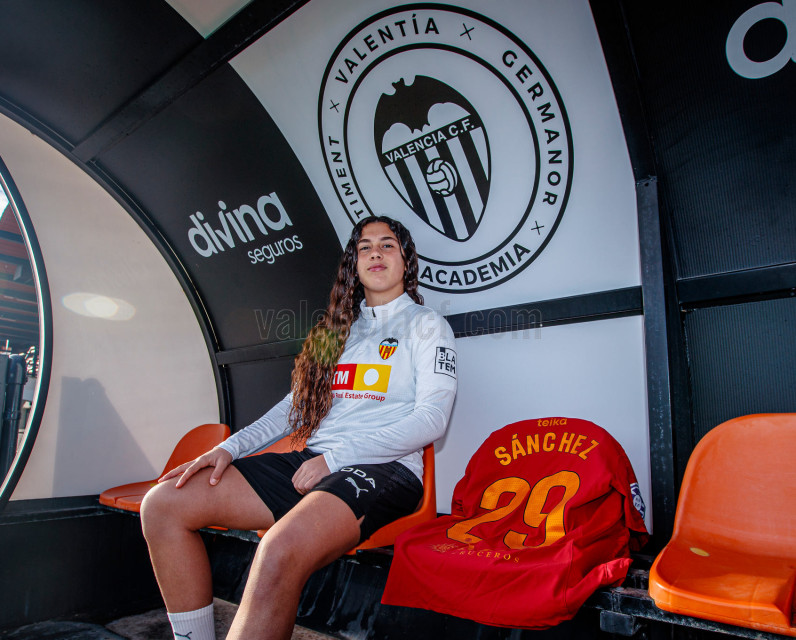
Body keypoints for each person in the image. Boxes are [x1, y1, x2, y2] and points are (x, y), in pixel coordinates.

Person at [140, 216, 458, 640]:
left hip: (386, 468)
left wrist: (336, 459)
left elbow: (432, 419)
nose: (375, 253)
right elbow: (293, 407)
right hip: (315, 461)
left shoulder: (427, 325)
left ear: (406, 262)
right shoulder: (334, 331)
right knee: (163, 504)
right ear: (354, 264)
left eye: (387, 245)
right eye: (365, 247)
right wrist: (229, 448)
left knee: (277, 550)